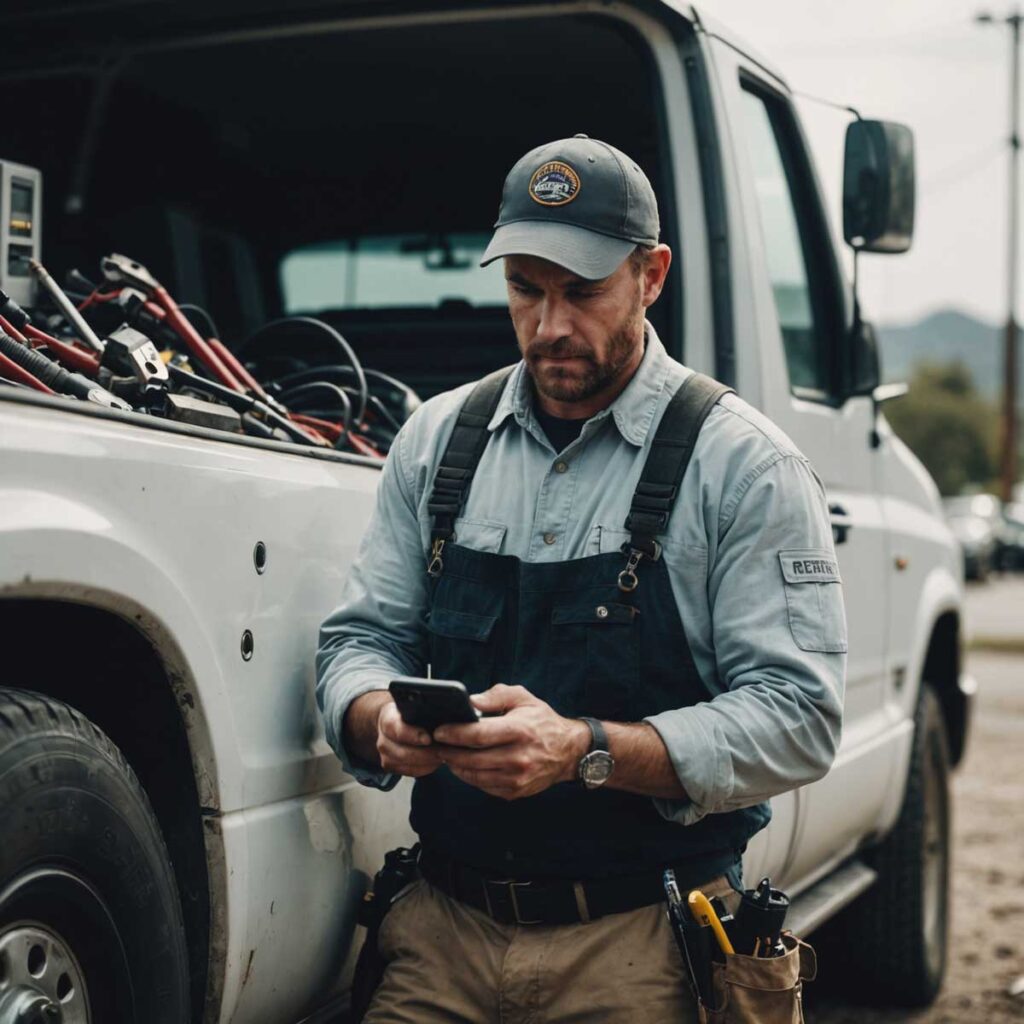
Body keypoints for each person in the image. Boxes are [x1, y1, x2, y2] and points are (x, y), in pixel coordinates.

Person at [316, 134, 846, 1022]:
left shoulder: (744, 467)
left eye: (584, 291)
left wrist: (585, 750)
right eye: (525, 288)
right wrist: (376, 720)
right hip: (437, 936)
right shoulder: (438, 441)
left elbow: (800, 716)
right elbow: (359, 639)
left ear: (653, 275)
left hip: (643, 942)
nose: (551, 325)